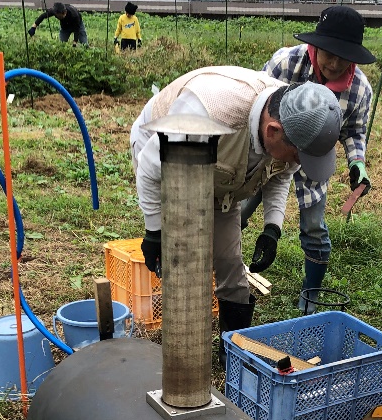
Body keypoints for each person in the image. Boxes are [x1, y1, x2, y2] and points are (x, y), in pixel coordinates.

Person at [130, 67, 342, 349]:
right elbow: (148, 166)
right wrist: (155, 231)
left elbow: (280, 172)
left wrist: (272, 228)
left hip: (225, 178)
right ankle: (185, 344)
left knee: (230, 263)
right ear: (272, 131)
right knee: (185, 259)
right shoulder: (208, 112)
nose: (298, 162)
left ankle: (232, 351)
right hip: (168, 160)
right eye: (297, 155)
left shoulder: (293, 117)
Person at [240, 6, 375, 310]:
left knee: (314, 227)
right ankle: (226, 267)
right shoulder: (286, 63)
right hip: (272, 149)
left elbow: (354, 130)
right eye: (329, 53)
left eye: (344, 56)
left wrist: (358, 163)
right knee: (239, 209)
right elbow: (256, 107)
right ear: (316, 45)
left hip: (315, 159)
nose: (335, 63)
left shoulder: (359, 89)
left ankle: (310, 294)